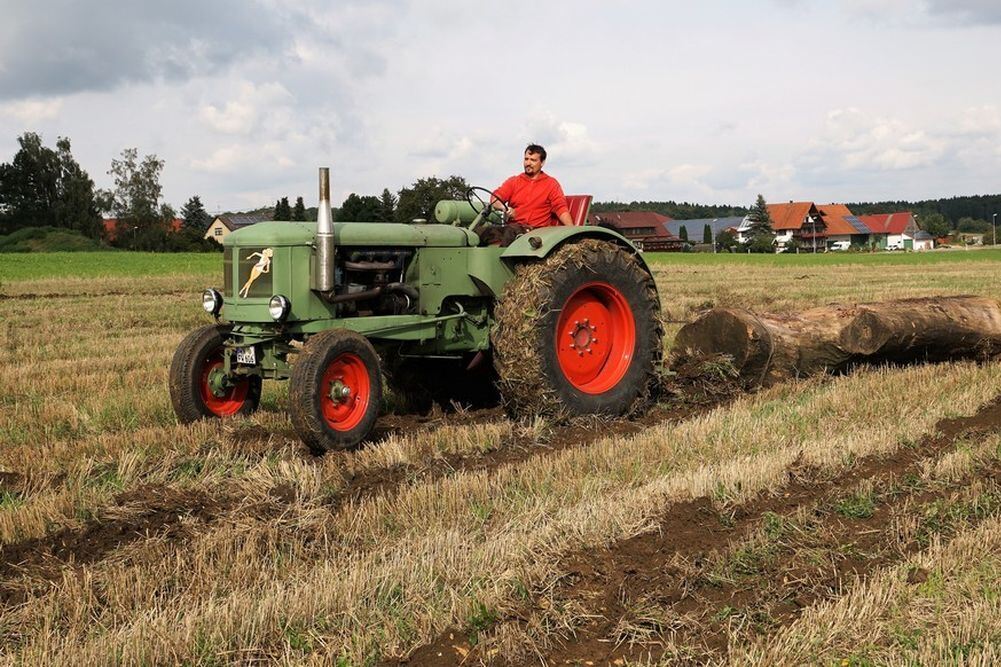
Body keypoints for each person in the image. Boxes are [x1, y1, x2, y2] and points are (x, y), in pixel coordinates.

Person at [479, 144, 574, 246]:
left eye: (533, 160)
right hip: (513, 228)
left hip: (534, 231)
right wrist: (504, 208)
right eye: (526, 159)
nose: (528, 163)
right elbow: (495, 198)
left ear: (542, 163)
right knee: (479, 232)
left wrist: (573, 232)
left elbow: (560, 208)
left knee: (510, 232)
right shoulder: (514, 181)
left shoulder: (551, 184)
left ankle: (502, 256)